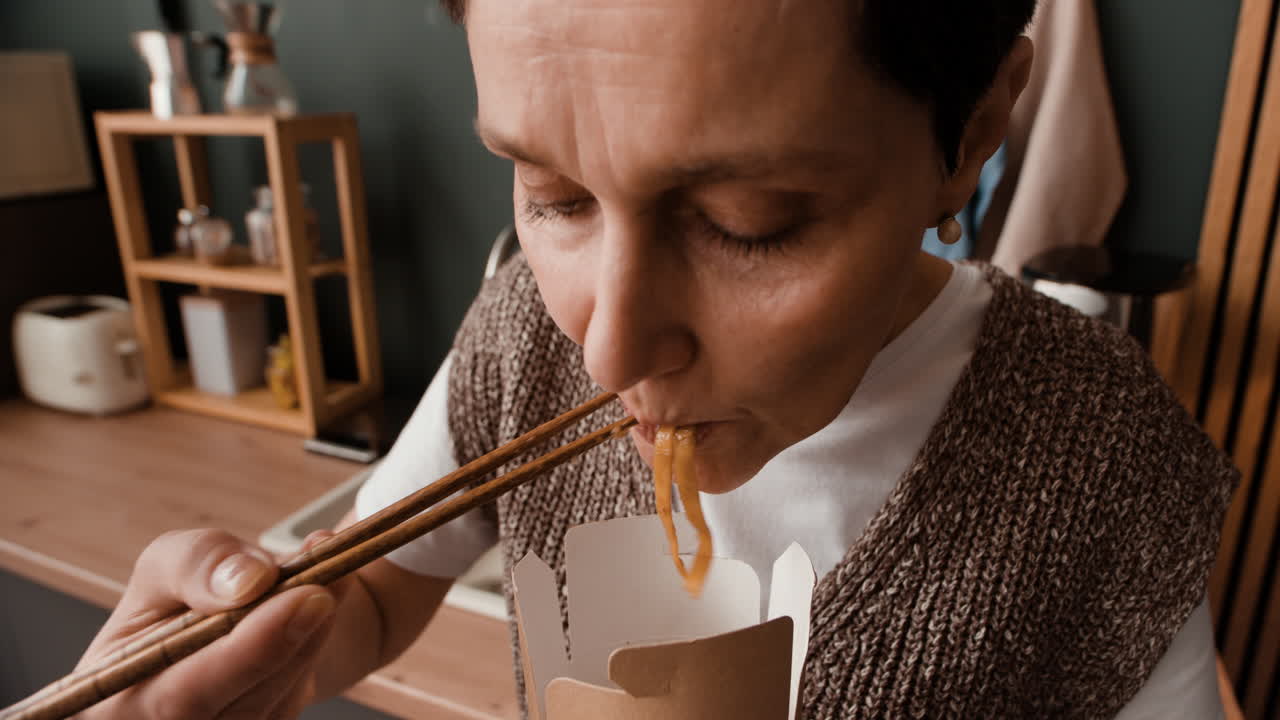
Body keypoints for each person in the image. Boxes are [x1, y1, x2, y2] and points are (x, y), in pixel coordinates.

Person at [68, 0, 1236, 717]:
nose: (608, 344)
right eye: (551, 194)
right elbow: (375, 588)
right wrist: (236, 663)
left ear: (970, 136)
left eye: (746, 218)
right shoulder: (523, 336)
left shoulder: (1095, 455)